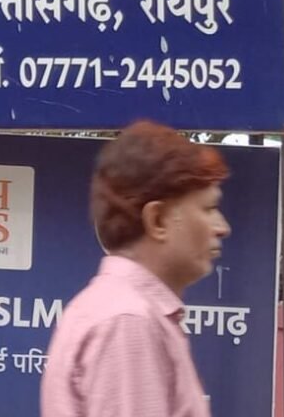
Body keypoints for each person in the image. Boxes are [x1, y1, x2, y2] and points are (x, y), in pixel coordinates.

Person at [40, 120, 231, 417]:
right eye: (208, 208)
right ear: (157, 220)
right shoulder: (128, 321)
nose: (222, 228)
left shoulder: (120, 310)